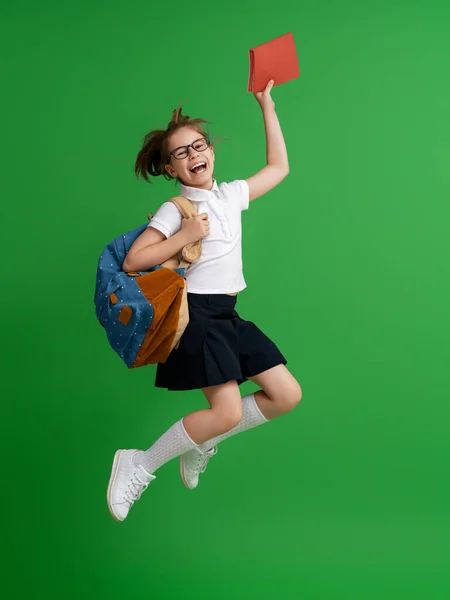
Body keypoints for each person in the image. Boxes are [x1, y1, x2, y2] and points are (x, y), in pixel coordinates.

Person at [107, 80, 302, 522]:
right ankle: (137, 463)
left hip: (227, 314)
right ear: (171, 168)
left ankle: (204, 441)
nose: (195, 155)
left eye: (199, 146)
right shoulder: (177, 209)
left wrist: (266, 104)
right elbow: (136, 259)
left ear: (211, 150)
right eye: (182, 153)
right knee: (227, 410)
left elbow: (278, 168)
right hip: (196, 316)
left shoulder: (230, 194)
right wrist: (184, 235)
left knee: (286, 394)